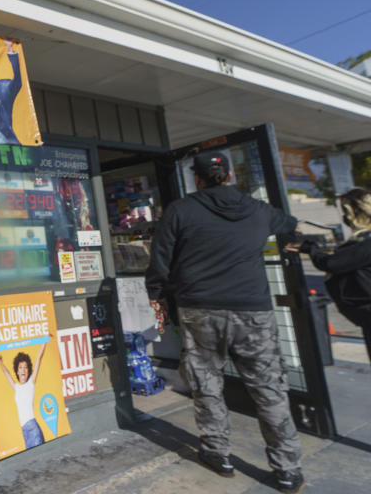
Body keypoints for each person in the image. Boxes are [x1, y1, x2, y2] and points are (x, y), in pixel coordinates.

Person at [145, 151, 304, 494]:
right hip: (253, 311)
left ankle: (218, 453)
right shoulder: (257, 210)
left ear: (197, 179)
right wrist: (293, 241)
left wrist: (156, 293)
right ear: (230, 176)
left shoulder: (181, 210)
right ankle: (288, 469)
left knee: (207, 382)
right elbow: (290, 225)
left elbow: (160, 259)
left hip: (199, 309)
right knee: (268, 388)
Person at [286, 187, 371, 361]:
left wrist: (311, 248)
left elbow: (332, 263)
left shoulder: (366, 244)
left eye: (345, 211)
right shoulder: (361, 243)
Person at [0, 344, 47, 448]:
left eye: (25, 367)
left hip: (33, 429)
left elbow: (39, 358)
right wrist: (0, 361)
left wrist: (44, 341)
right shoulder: (16, 387)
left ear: (28, 371)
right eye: (20, 367)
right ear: (17, 371)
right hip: (24, 431)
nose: (23, 370)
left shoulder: (31, 383)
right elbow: (6, 373)